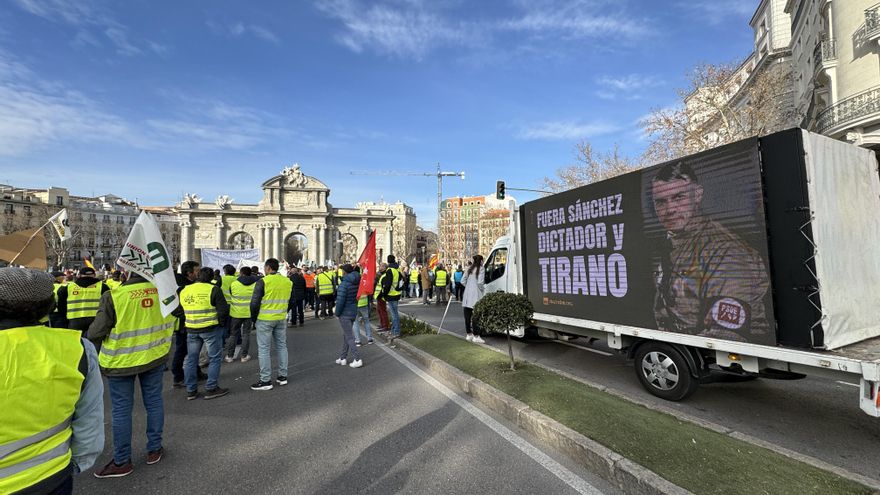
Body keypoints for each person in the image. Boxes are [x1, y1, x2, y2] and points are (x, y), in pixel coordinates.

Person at [0, 267, 104, 493]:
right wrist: (76, 464)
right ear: (49, 305)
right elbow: (89, 420)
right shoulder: (77, 349)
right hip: (53, 475)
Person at [651, 161, 771, 342]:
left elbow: (726, 334)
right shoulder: (671, 244)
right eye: (661, 202)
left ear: (697, 194)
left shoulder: (725, 250)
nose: (670, 209)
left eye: (679, 197)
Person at [88, 271, 179, 478]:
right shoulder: (163, 293)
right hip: (154, 355)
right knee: (155, 402)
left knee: (121, 410)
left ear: (128, 271)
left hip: (122, 361)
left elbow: (95, 332)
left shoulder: (114, 295)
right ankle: (154, 449)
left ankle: (122, 461)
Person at [179, 267, 230, 400]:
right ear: (212, 277)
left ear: (197, 276)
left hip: (191, 328)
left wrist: (186, 319)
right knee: (214, 358)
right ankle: (211, 388)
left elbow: (177, 309)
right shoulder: (214, 289)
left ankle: (191, 390)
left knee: (192, 359)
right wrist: (221, 324)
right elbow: (223, 310)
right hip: (210, 328)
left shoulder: (185, 289)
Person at [250, 258, 294, 391]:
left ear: (268, 268)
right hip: (281, 318)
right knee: (282, 346)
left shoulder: (262, 281)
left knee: (264, 349)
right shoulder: (287, 281)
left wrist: (253, 318)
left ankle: (265, 380)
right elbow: (292, 300)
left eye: (265, 268)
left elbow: (254, 303)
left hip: (264, 319)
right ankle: (282, 376)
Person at [56, 265, 110, 333]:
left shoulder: (68, 287)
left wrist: (64, 319)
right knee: (93, 342)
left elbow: (61, 306)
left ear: (80, 275)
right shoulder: (103, 287)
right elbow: (108, 305)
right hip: (96, 319)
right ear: (94, 275)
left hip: (74, 320)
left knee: (75, 341)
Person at [225, 266, 259, 363]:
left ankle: (229, 356)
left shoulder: (234, 283)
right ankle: (244, 356)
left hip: (235, 313)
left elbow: (231, 294)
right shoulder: (255, 284)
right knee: (246, 334)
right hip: (248, 313)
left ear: (241, 273)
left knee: (233, 334)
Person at [333, 264, 363, 367]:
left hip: (345, 313)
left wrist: (337, 313)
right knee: (346, 335)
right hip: (353, 310)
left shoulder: (344, 284)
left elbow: (340, 301)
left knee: (349, 336)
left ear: (344, 272)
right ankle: (343, 358)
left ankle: (357, 359)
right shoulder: (356, 282)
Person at [461, 255, 486, 343]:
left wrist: (468, 287)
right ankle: (476, 336)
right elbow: (480, 283)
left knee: (467, 316)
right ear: (481, 261)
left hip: (467, 295)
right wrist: (483, 289)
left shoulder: (469, 268)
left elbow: (462, 281)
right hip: (476, 295)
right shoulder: (481, 269)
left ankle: (469, 334)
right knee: (476, 316)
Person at [378, 255, 402, 345]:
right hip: (397, 294)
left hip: (391, 295)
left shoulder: (389, 270)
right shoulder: (397, 269)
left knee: (394, 314)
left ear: (388, 261)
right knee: (395, 314)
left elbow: (387, 285)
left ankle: (396, 332)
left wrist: (384, 294)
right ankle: (394, 330)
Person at [353, 271, 373, 346]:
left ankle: (358, 340)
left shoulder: (352, 285)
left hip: (355, 305)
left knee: (355, 323)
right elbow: (369, 293)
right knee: (366, 321)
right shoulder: (364, 285)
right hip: (364, 304)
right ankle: (369, 339)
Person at [374, 262, 390, 331]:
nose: (379, 267)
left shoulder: (384, 274)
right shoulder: (380, 274)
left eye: (381, 266)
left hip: (381, 296)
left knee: (383, 311)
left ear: (384, 267)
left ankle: (385, 325)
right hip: (378, 295)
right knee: (379, 310)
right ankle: (382, 324)